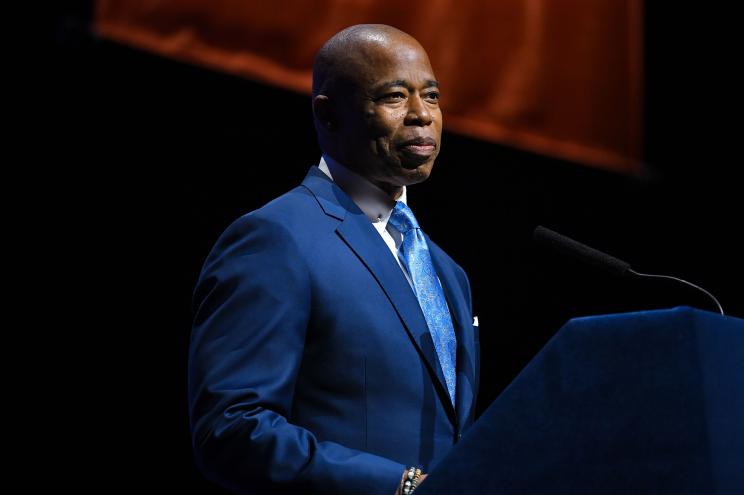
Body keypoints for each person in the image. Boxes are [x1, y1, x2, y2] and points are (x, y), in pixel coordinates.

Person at [189, 24, 480, 495]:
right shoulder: (277, 238)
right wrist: (399, 486)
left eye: (431, 96)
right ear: (329, 116)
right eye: (393, 97)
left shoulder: (448, 273)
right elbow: (232, 429)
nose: (420, 116)